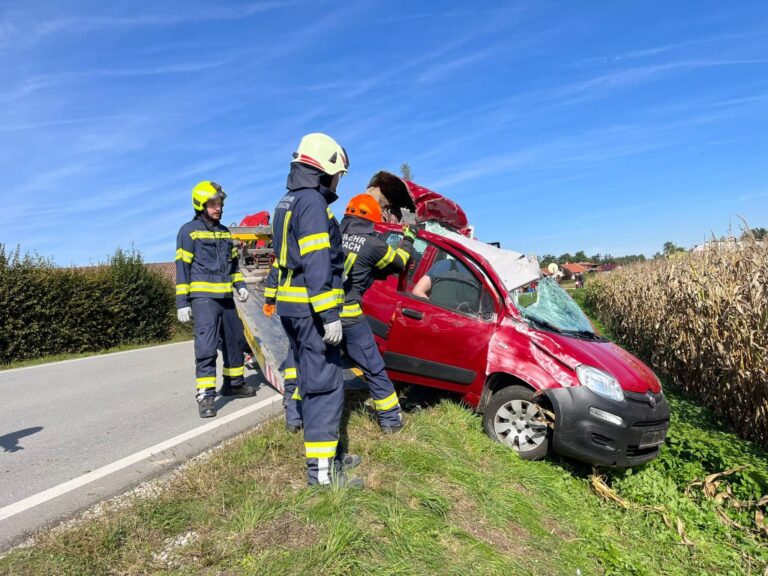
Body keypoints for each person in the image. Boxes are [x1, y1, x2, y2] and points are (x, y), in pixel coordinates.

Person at [272, 133, 362, 488]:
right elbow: (316, 261)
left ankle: (330, 455)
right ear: (324, 167)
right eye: (338, 174)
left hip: (293, 307)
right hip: (311, 310)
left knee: (310, 381)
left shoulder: (289, 200)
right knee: (324, 386)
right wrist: (329, 315)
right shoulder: (312, 202)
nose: (339, 180)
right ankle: (323, 475)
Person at [175, 181, 256, 418]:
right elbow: (182, 268)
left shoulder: (224, 233)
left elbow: (233, 265)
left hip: (226, 298)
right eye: (213, 204)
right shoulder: (188, 231)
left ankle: (234, 384)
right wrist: (182, 303)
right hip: (204, 300)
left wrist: (240, 285)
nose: (218, 208)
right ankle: (206, 395)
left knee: (235, 342)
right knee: (207, 347)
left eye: (219, 203)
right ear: (201, 205)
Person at [339, 194, 415, 433]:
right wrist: (409, 237)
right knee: (373, 366)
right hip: (350, 316)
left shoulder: (333, 235)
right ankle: (391, 420)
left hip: (323, 313)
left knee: (319, 365)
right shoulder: (373, 244)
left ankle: (298, 416)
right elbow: (399, 262)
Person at [263, 261, 303, 432]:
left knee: (293, 349)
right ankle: (295, 407)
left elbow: (274, 273)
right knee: (308, 359)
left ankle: (289, 393)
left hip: (286, 306)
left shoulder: (284, 249)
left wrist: (269, 299)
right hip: (306, 308)